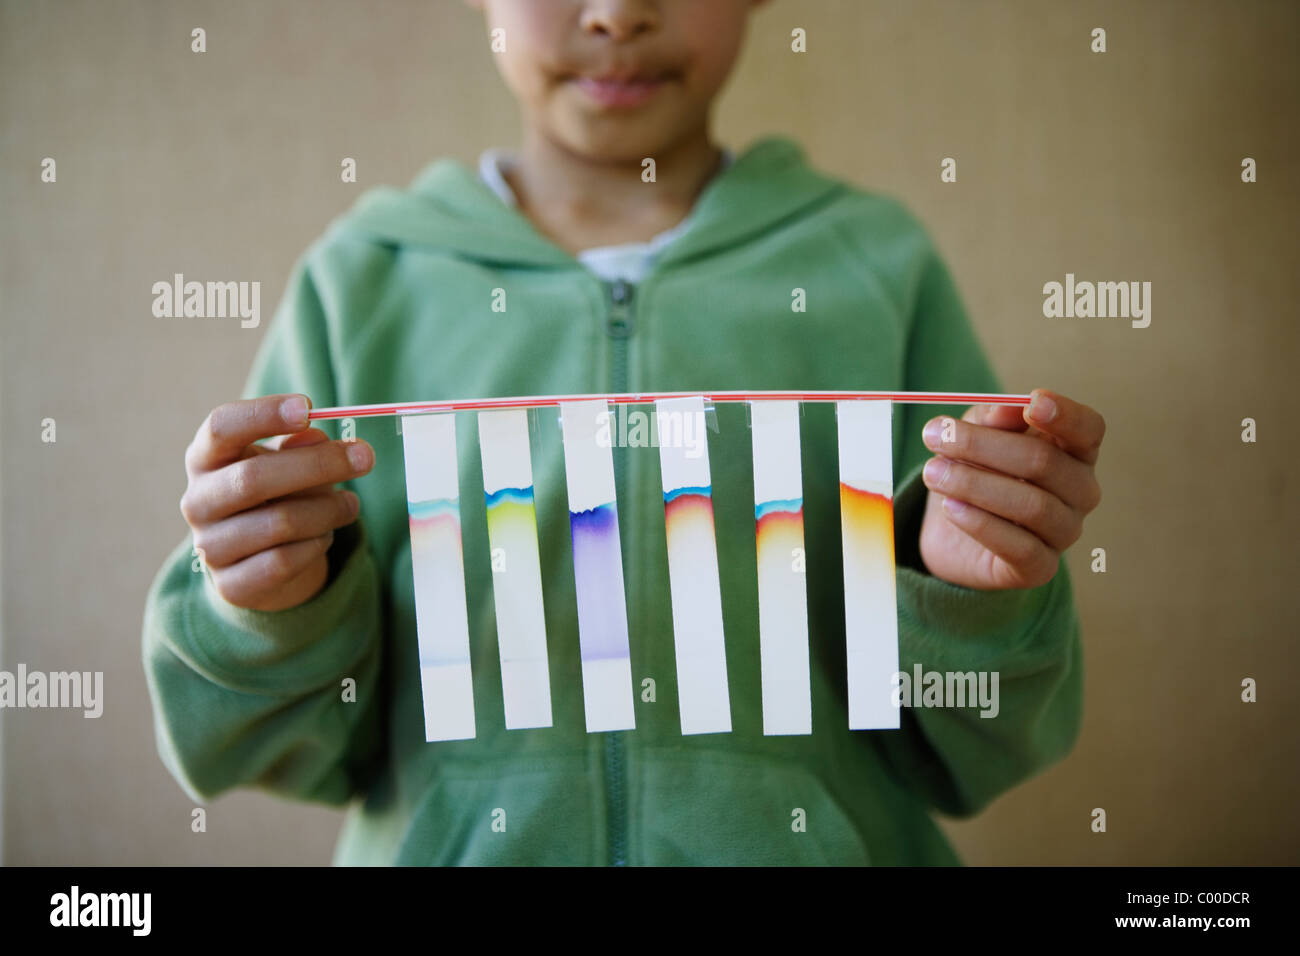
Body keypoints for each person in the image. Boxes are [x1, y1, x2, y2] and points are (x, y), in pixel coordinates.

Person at [143, 0, 1104, 865]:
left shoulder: (875, 268)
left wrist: (965, 599)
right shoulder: (360, 285)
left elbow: (976, 754)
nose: (615, 14)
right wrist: (267, 608)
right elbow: (291, 753)